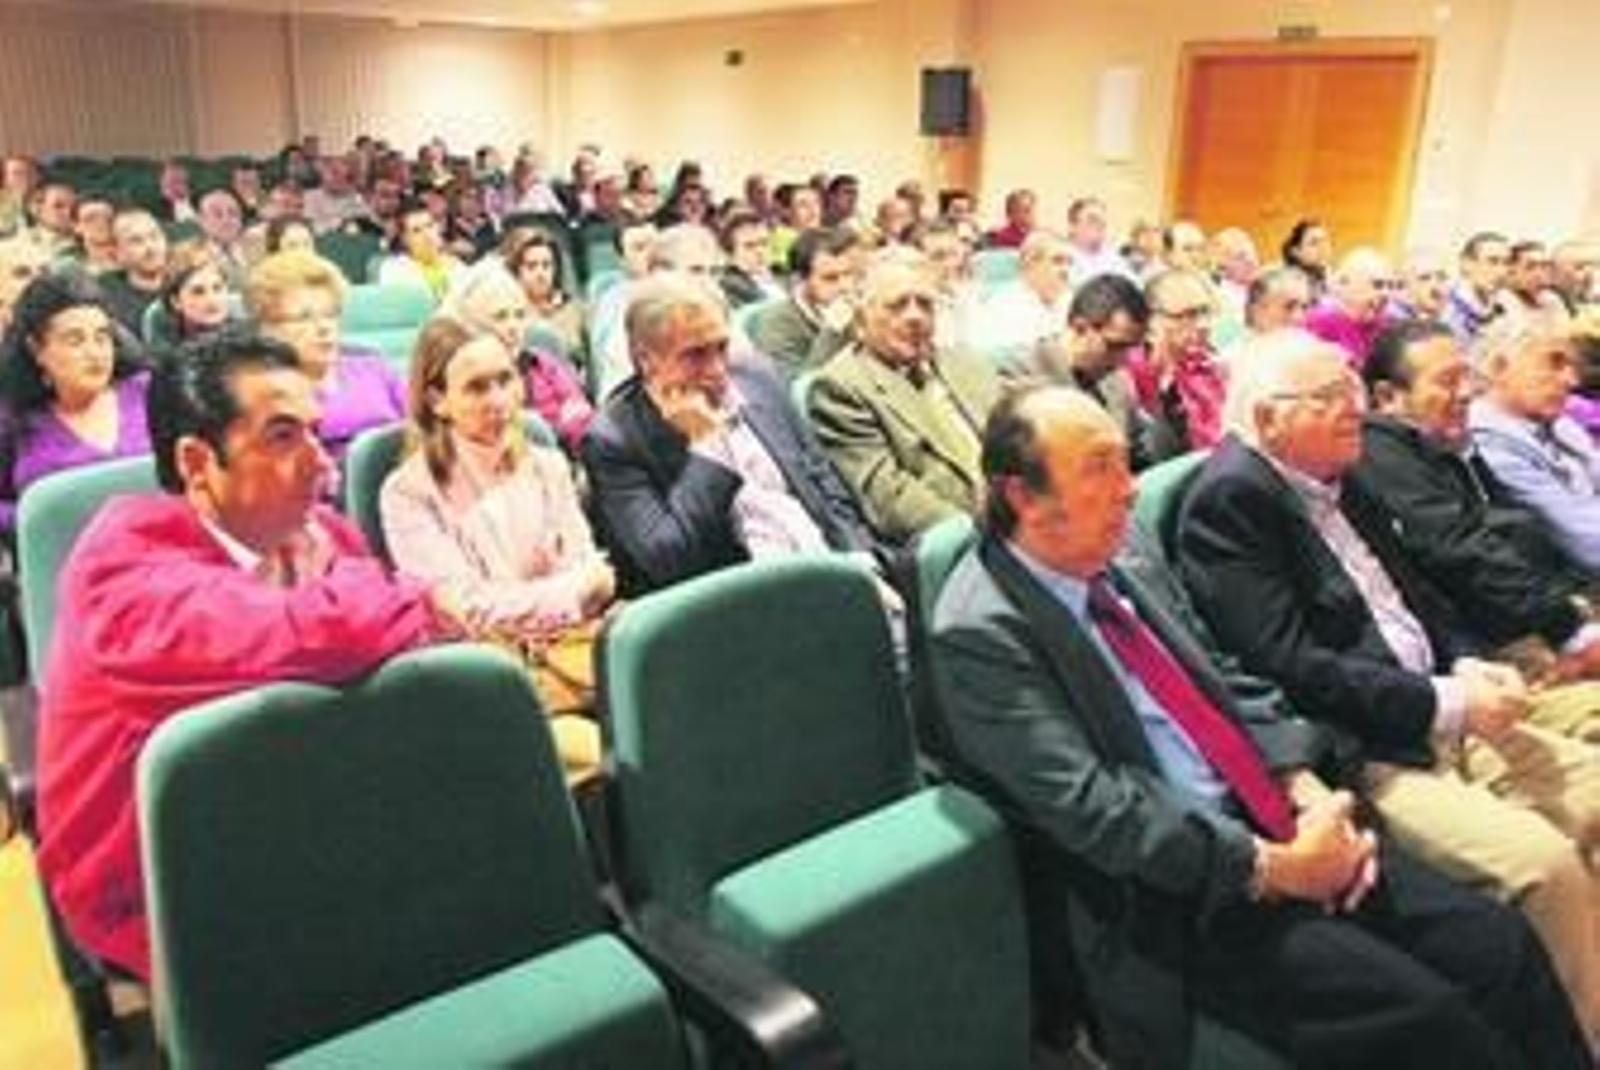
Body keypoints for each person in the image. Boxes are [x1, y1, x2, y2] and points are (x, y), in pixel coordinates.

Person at [929, 382, 1589, 1068]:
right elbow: (1098, 811)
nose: (1129, 490)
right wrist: (1275, 868)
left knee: (1499, 945)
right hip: (1184, 892)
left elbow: (1229, 683)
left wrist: (1310, 797)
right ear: (1022, 497)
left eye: (1127, 462)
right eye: (1099, 468)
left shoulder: (1124, 556)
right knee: (1431, 1023)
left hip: (1280, 819)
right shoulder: (979, 631)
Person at [1177, 329, 1600, 1041]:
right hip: (1373, 753)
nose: (1354, 410)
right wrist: (1448, 700)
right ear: (1268, 419)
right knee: (1545, 866)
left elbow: (1415, 598)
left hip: (1440, 707)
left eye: (1350, 391)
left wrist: (1463, 664)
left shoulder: (1343, 472)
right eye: (1330, 398)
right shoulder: (1230, 503)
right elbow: (1294, 668)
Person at [35, 329, 450, 982]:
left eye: (317, 431)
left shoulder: (317, 532)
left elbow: (394, 622)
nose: (323, 463)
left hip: (303, 807)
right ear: (199, 464)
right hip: (157, 886)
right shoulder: (117, 571)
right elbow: (335, 627)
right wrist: (397, 594)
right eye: (284, 437)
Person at [380, 318, 609, 776]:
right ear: (437, 400)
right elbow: (469, 611)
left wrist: (550, 599)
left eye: (506, 380)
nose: (500, 401)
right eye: (477, 388)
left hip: (573, 655)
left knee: (675, 714)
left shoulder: (547, 465)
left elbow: (595, 576)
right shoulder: (408, 492)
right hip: (494, 681)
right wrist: (567, 594)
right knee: (615, 756)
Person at [582, 273, 883, 596]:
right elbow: (670, 560)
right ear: (646, 359)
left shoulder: (758, 377)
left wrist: (860, 560)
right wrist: (708, 447)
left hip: (830, 569)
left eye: (721, 347)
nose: (717, 371)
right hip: (731, 606)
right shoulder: (614, 439)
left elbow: (824, 483)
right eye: (695, 355)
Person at [1353, 319, 1600, 700]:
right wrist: (1570, 630)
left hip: (1538, 617)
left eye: (1466, 377)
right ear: (1387, 397)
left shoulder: (1441, 442)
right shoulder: (1384, 455)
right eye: (1448, 381)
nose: (1468, 392)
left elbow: (1515, 533)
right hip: (1495, 651)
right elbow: (1463, 552)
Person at [807, 249, 1000, 545]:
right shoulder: (840, 388)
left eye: (925, 304)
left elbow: (1020, 435)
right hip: (958, 542)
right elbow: (891, 500)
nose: (915, 316)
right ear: (861, 317)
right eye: (897, 305)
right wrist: (985, 537)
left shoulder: (962, 360)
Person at [0, 271, 150, 536]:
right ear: (37, 350)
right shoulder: (14, 420)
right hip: (61, 561)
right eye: (75, 340)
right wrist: (42, 517)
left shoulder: (147, 391)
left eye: (102, 337)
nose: (95, 353)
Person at [247, 250, 405, 465]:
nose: (324, 328)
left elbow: (423, 431)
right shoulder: (260, 391)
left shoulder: (375, 367)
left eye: (330, 314)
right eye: (304, 317)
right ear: (268, 329)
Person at [1470, 310, 1600, 571]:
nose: (1571, 380)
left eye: (1570, 365)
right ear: (1500, 368)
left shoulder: (1558, 423)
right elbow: (1588, 543)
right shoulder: (1490, 449)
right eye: (1554, 363)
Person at [445, 262, 593, 453]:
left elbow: (580, 411)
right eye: (500, 317)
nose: (514, 327)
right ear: (472, 324)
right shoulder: (457, 378)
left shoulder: (541, 363)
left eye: (520, 315)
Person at [748, 226, 860, 378]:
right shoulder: (774, 324)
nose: (845, 287)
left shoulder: (853, 310)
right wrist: (831, 332)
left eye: (848, 274)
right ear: (799, 281)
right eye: (830, 278)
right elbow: (796, 391)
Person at [501, 226, 586, 368]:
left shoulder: (576, 309)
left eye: (546, 265)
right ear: (516, 271)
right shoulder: (508, 314)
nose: (540, 273)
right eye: (531, 266)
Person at [377, 198, 466, 301]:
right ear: (405, 239)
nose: (427, 235)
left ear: (438, 228)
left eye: (429, 225)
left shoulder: (456, 265)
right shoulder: (394, 270)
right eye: (417, 231)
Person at [154, 240, 234, 346]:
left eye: (218, 288)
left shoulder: (251, 338)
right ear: (176, 302)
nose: (212, 300)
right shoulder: (165, 349)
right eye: (198, 292)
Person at [1280, 217, 1333, 297]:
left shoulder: (1329, 274)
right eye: (1314, 243)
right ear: (1296, 251)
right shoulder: (1290, 286)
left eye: (1325, 240)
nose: (1323, 247)